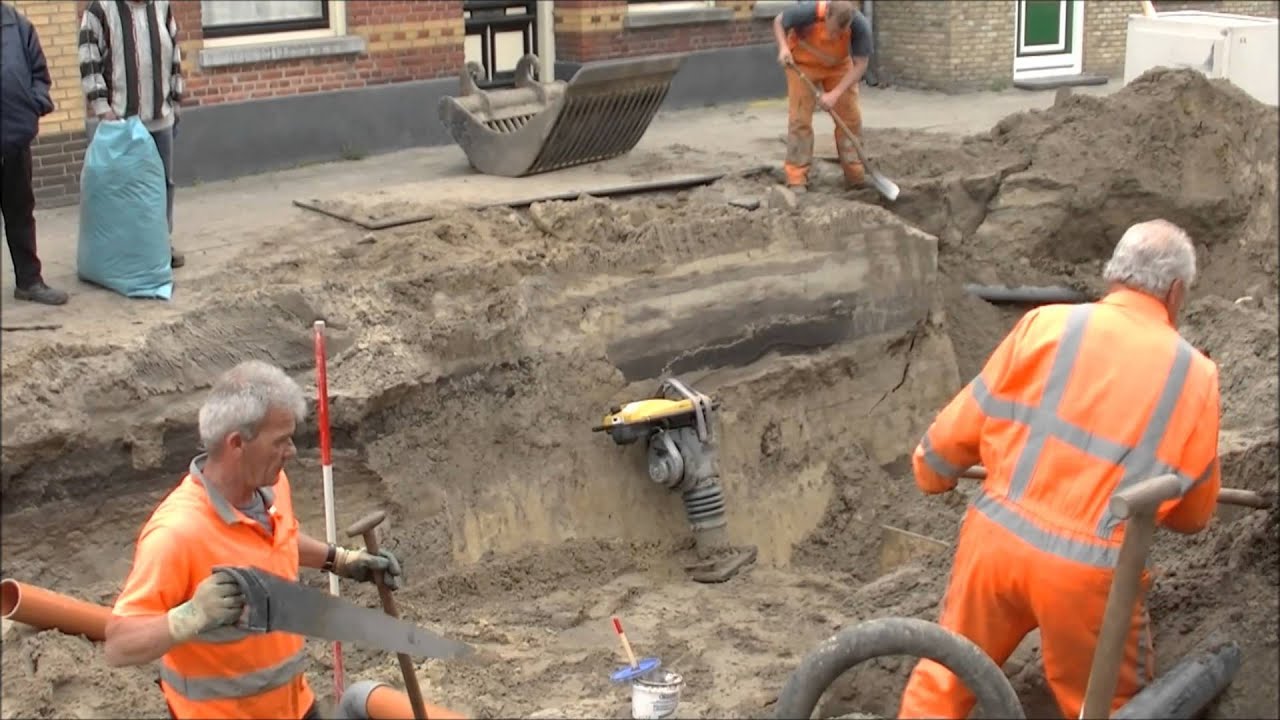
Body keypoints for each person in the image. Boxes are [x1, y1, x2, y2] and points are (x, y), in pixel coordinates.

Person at [897, 219, 1222, 719]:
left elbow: (962, 427)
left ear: (1115, 272)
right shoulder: (1195, 376)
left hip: (995, 544)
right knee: (1107, 707)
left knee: (945, 678)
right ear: (1176, 291)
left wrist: (931, 471)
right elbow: (1193, 514)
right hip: (1090, 577)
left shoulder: (1045, 323)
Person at [104, 360, 404, 720]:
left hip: (295, 705)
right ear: (236, 444)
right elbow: (119, 644)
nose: (291, 451)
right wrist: (191, 615)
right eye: (280, 441)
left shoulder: (271, 486)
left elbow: (280, 541)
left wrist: (341, 561)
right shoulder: (177, 533)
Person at [78, 0, 186, 269]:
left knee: (162, 186)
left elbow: (175, 55)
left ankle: (159, 244)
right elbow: (88, 58)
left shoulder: (162, 7)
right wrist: (103, 109)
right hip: (122, 122)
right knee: (123, 188)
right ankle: (124, 250)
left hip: (159, 118)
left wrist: (175, 101)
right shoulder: (99, 10)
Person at [1, 2, 68, 305]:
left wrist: (34, 105)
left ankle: (29, 282)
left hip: (14, 139)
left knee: (20, 213)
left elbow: (40, 74)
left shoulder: (17, 25)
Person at [772, 0, 873, 192]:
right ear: (825, 15)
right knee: (799, 120)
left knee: (850, 119)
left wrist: (835, 94)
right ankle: (796, 177)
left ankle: (855, 175)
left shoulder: (860, 26)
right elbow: (779, 21)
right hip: (802, 64)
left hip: (838, 67)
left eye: (840, 34)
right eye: (833, 30)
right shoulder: (808, 11)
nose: (835, 36)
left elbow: (861, 64)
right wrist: (784, 47)